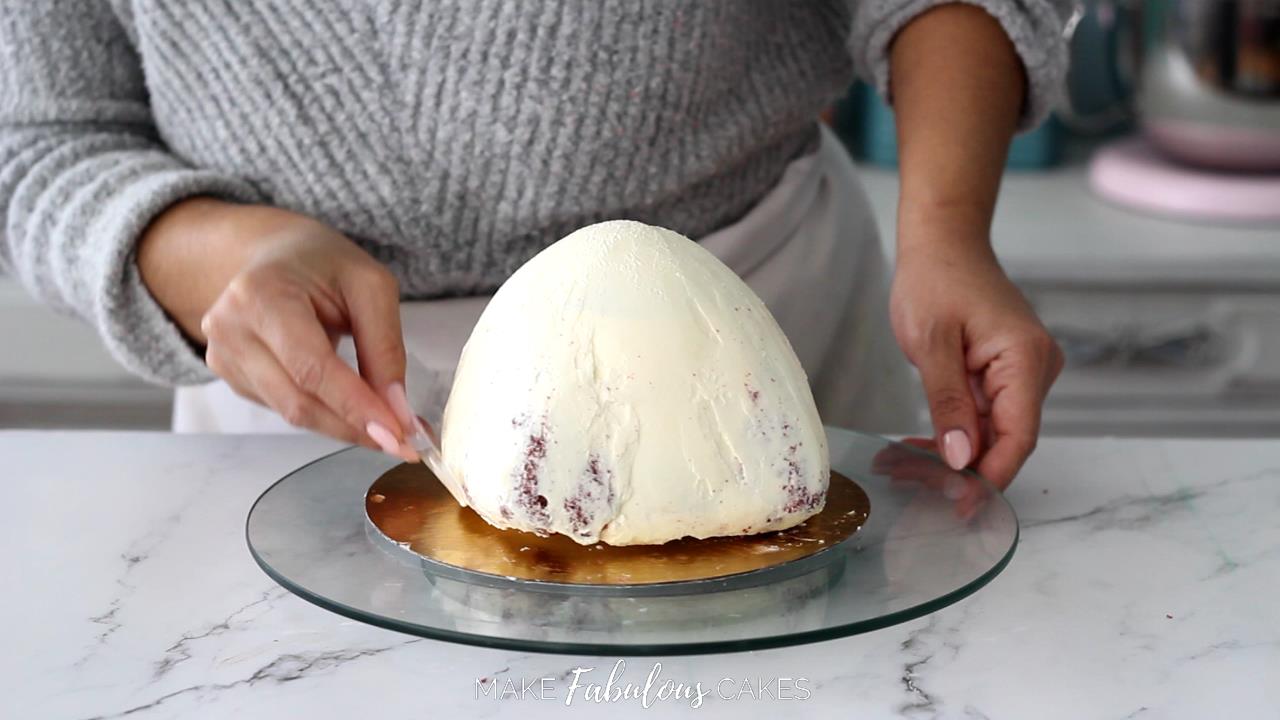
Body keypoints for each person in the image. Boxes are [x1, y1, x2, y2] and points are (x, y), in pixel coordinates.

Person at [0, 1, 1065, 489]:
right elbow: (35, 147)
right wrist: (217, 251)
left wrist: (944, 233)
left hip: (751, 333)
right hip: (306, 401)